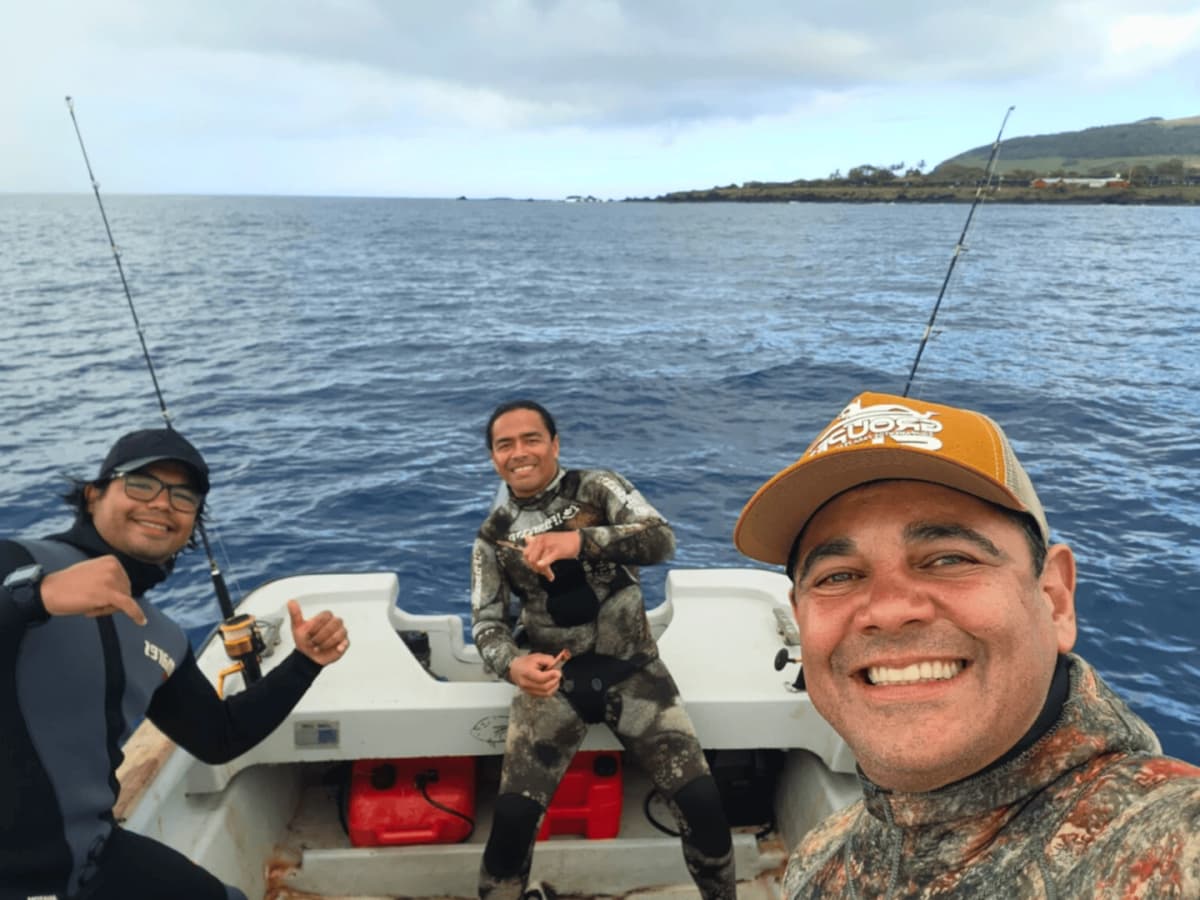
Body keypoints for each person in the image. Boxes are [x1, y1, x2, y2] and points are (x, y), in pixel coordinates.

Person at [732, 390, 1200, 898]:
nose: (888, 609)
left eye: (948, 559)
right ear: (800, 615)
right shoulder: (824, 850)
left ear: (1054, 599)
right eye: (838, 575)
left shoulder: (1172, 844)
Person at [1, 427, 350, 900]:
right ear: (93, 496)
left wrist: (305, 663)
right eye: (141, 484)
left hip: (91, 860)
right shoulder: (17, 563)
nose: (164, 503)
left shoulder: (160, 633)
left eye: (184, 497)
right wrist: (31, 598)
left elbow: (218, 737)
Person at [471, 400, 735, 900]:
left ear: (555, 444)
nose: (519, 452)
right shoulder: (493, 536)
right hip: (554, 683)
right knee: (510, 824)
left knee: (703, 805)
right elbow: (487, 623)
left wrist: (578, 542)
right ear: (493, 458)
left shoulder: (597, 486)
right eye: (505, 444)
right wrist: (513, 665)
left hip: (636, 672)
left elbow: (662, 540)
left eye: (532, 439)